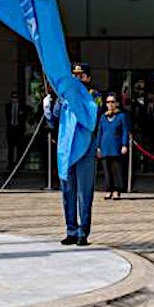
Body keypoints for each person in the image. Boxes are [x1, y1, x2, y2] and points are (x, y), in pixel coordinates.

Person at [43, 63, 98, 246]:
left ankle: (83, 232)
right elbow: (55, 119)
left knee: (84, 194)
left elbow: (95, 120)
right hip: (67, 150)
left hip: (85, 151)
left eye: (81, 76)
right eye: (74, 76)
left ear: (88, 78)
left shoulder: (93, 97)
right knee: (68, 193)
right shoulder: (64, 97)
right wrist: (49, 105)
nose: (77, 79)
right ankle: (71, 230)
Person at [96, 93, 129, 200]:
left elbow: (125, 131)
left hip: (116, 146)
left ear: (117, 103)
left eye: (112, 102)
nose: (110, 104)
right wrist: (98, 146)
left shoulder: (121, 116)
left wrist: (124, 144)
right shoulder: (103, 117)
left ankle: (117, 190)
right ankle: (108, 189)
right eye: (108, 102)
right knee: (106, 170)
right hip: (105, 146)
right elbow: (99, 132)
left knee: (117, 169)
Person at [5, 90, 27, 169]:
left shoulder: (22, 106)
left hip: (19, 130)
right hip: (11, 129)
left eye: (15, 97)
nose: (14, 99)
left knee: (19, 148)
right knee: (10, 148)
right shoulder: (8, 106)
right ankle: (10, 164)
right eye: (13, 97)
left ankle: (19, 164)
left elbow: (24, 117)